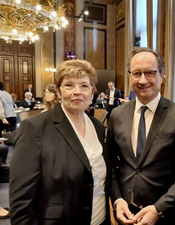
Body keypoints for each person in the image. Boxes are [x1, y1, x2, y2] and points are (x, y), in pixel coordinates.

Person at [10, 59, 111, 225]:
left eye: (84, 86)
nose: (77, 92)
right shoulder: (34, 128)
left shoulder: (97, 126)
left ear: (92, 93)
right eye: (69, 85)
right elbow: (21, 201)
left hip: (100, 220)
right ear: (59, 91)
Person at [107, 47, 175, 225]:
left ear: (161, 76)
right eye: (136, 73)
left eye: (150, 73)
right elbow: (109, 165)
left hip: (165, 216)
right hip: (126, 215)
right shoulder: (117, 115)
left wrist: (159, 209)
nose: (142, 80)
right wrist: (117, 199)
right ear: (129, 76)